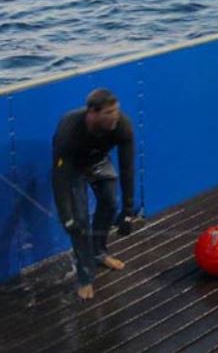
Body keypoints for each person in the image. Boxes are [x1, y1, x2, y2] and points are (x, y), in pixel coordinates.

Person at [51, 88, 139, 300]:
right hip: (72, 169)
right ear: (92, 113)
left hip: (99, 160)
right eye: (109, 113)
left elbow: (127, 169)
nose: (115, 116)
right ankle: (85, 277)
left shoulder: (123, 125)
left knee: (110, 204)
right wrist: (66, 217)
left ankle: (99, 252)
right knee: (79, 223)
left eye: (116, 110)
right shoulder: (69, 130)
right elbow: (59, 177)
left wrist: (128, 211)